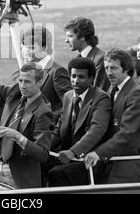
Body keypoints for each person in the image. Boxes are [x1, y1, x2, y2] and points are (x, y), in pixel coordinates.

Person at [0, 59, 54, 189]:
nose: (22, 86)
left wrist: (18, 137)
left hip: (21, 178)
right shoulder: (14, 94)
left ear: (40, 82)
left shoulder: (43, 112)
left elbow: (43, 154)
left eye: (27, 82)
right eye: (20, 80)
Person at [84, 49, 140, 184]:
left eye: (113, 68)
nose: (108, 72)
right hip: (111, 162)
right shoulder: (113, 89)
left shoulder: (136, 94)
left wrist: (99, 152)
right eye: (106, 68)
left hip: (126, 165)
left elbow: (127, 132)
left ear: (126, 69)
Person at [47, 57, 111, 186]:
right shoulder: (68, 96)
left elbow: (96, 130)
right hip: (67, 155)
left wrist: (73, 152)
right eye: (73, 76)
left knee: (56, 173)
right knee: (37, 162)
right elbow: (59, 129)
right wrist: (41, 145)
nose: (75, 81)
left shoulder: (101, 98)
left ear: (92, 79)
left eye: (81, 77)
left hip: (88, 159)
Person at [16, 26, 71, 120]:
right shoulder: (25, 71)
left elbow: (68, 106)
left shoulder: (57, 72)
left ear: (44, 47)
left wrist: (46, 118)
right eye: (24, 47)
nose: (26, 51)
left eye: (32, 48)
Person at [64, 17, 109, 91]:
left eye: (70, 36)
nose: (66, 40)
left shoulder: (100, 60)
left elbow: (100, 93)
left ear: (82, 37)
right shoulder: (78, 59)